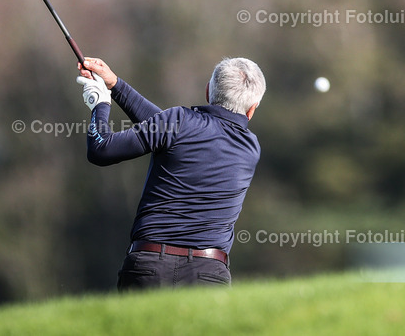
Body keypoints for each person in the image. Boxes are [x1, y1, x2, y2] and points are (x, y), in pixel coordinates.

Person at [75, 56, 265, 290]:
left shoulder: (179, 122)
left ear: (208, 91)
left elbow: (102, 149)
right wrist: (115, 85)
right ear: (252, 110)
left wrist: (100, 104)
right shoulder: (251, 148)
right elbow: (168, 132)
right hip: (209, 275)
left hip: (148, 268)